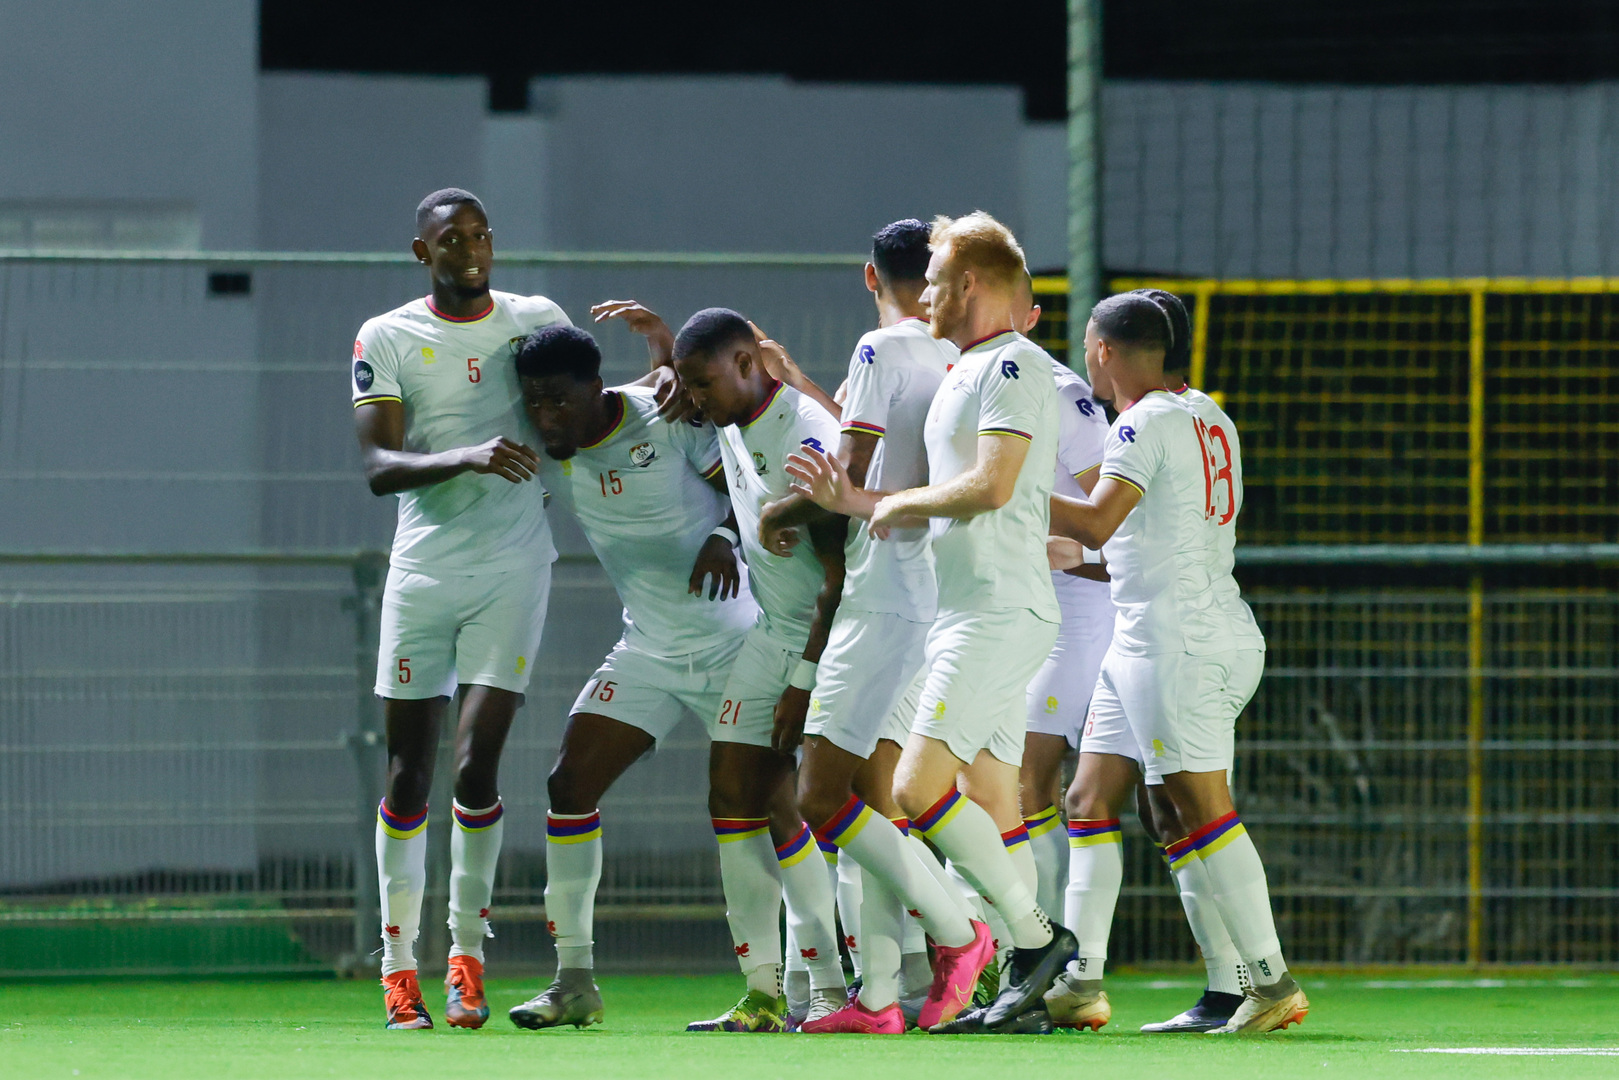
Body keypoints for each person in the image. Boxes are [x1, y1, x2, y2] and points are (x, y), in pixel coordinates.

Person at [786, 211, 1076, 1035]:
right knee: (987, 794)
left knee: (913, 789)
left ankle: (1027, 941)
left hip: (994, 614)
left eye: (940, 279)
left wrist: (889, 502)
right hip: (963, 610)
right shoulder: (969, 368)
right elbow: (973, 497)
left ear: (972, 285)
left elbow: (987, 486)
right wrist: (860, 502)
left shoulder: (1013, 363)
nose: (927, 295)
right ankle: (1022, 988)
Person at [1044, 292, 1306, 1035]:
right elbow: (1152, 534)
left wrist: (1017, 484)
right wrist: (1077, 556)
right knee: (1093, 799)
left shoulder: (1139, 423)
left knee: (1199, 808)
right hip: (1157, 634)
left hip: (1177, 645)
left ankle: (1269, 980)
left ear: (1102, 349)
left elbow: (1097, 516)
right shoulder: (1205, 414)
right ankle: (1083, 979)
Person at [756, 219, 994, 1035]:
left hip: (883, 598)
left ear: (869, 277)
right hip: (936, 597)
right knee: (872, 801)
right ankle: (881, 997)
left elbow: (847, 474)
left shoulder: (878, 348)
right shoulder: (958, 357)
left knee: (821, 794)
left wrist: (773, 512)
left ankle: (963, 932)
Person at [500, 316, 758, 1030]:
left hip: (734, 644)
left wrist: (718, 536)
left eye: (557, 398)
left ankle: (817, 978)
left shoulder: (666, 418)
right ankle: (574, 981)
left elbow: (749, 489)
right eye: (533, 400)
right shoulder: (554, 445)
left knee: (781, 809)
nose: (544, 413)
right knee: (567, 783)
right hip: (647, 648)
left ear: (594, 388)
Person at [350, 188, 568, 1030]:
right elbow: (377, 465)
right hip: (425, 573)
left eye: (479, 236)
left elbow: (581, 407)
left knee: (476, 767)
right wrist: (469, 455)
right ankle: (396, 965)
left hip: (513, 568)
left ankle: (466, 957)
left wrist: (652, 376)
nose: (470, 250)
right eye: (451, 239)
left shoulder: (533, 318)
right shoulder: (389, 335)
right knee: (408, 774)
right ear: (422, 252)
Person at [670, 308, 849, 1033]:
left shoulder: (806, 433)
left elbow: (839, 575)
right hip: (774, 632)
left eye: (701, 382)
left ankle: (944, 959)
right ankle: (766, 993)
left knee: (867, 811)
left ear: (748, 365)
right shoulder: (731, 418)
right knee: (733, 793)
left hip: (837, 640)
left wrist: (804, 682)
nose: (693, 398)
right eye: (688, 383)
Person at [1009, 275, 1114, 928]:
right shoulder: (959, 386)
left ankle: (1044, 952)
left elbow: (1117, 527)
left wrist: (1066, 550)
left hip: (1073, 620)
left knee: (1028, 785)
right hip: (1002, 617)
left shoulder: (1060, 395)